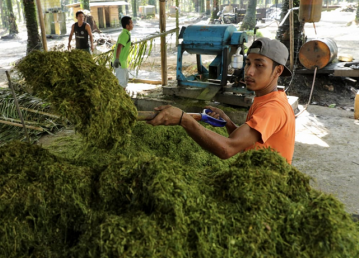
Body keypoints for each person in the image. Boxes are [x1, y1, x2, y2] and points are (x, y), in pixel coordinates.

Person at [148, 38, 296, 164]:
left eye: (259, 65)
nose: (249, 71)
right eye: (248, 63)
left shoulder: (273, 108)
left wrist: (184, 120)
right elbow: (247, 143)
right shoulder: (266, 99)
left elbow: (228, 148)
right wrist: (228, 123)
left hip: (267, 190)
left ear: (278, 71)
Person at [112, 16, 134, 89]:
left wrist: (129, 43)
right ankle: (120, 98)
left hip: (123, 63)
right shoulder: (124, 34)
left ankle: (123, 97)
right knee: (121, 83)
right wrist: (117, 59)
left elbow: (123, 44)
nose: (132, 24)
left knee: (124, 81)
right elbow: (119, 46)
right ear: (127, 26)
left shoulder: (126, 33)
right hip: (119, 62)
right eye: (131, 23)